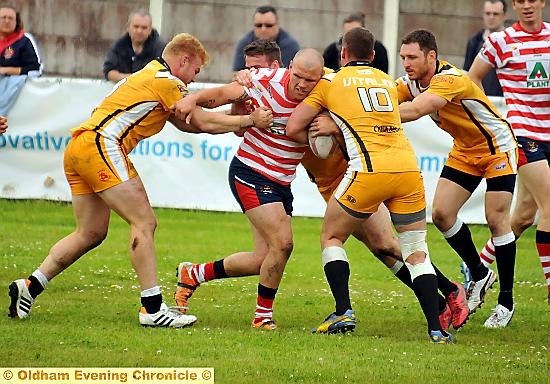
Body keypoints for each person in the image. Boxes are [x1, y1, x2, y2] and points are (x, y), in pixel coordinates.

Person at [8, 33, 273, 328]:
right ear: (184, 60)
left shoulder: (148, 75)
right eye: (196, 70)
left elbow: (192, 124)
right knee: (144, 223)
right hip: (102, 146)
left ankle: (29, 287)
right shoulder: (166, 81)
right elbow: (200, 120)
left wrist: (238, 115)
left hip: (80, 147)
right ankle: (152, 308)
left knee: (90, 232)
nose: (193, 79)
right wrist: (248, 120)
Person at [231, 39, 468, 334]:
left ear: (280, 66)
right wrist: (241, 86)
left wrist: (333, 124)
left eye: (256, 68)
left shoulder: (324, 81)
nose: (250, 73)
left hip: (355, 175)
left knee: (387, 244)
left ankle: (448, 292)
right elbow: (241, 122)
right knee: (383, 249)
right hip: (330, 184)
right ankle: (442, 301)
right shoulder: (265, 94)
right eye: (248, 69)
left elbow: (354, 104)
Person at [285, 28, 453, 343]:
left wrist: (327, 134)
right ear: (374, 56)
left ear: (342, 53)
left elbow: (294, 127)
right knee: (416, 252)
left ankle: (343, 311)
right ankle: (437, 329)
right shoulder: (387, 82)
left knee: (332, 236)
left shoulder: (329, 84)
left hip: (369, 171)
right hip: (407, 170)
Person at [171, 48, 325, 331]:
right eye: (298, 76)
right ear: (289, 67)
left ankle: (193, 273)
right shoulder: (266, 80)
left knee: (263, 260)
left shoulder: (325, 94)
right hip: (250, 171)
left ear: (321, 78)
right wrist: (193, 98)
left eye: (310, 80)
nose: (302, 84)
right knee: (284, 243)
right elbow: (226, 93)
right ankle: (262, 317)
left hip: (281, 181)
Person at [397, 29, 518, 328]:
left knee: (496, 218)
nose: (406, 63)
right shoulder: (409, 82)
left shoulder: (450, 78)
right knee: (441, 214)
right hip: (465, 150)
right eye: (402, 57)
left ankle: (506, 301)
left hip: (497, 147)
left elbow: (417, 109)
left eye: (412, 57)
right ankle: (480, 273)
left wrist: (372, 116)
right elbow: (384, 96)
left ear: (431, 56)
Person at [468, 0, 550, 305]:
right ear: (514, 5)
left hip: (548, 132)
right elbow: (471, 79)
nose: (527, 6)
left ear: (542, 2)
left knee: (523, 218)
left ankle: (476, 266)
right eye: (520, 0)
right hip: (522, 134)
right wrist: (489, 117)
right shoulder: (500, 41)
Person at [103, 9, 166, 83]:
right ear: (128, 27)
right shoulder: (118, 46)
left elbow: (163, 77)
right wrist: (133, 79)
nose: (139, 31)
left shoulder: (161, 49)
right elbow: (109, 72)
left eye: (144, 28)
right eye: (136, 26)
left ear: (150, 30)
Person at [0, 5, 42, 114]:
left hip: (13, 92)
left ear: (16, 22)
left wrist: (4, 71)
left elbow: (36, 69)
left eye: (10, 18)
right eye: (3, 17)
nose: (7, 21)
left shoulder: (24, 40)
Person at [232, 5, 300, 71]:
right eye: (259, 25)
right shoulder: (244, 43)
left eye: (268, 25)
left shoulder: (289, 45)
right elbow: (236, 73)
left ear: (277, 25)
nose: (263, 29)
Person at [463, 0, 507, 96]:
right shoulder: (474, 41)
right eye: (488, 13)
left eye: (495, 14)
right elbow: (467, 73)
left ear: (504, 16)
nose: (491, 17)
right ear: (483, 14)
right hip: (481, 100)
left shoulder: (511, 41)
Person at [322, 11, 389, 73]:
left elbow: (382, 73)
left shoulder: (378, 49)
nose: (352, 36)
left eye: (356, 32)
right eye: (348, 32)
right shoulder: (332, 50)